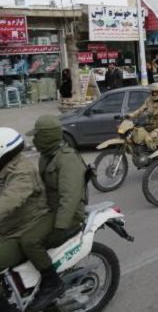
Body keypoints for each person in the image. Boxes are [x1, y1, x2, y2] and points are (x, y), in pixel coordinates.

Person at [22, 115, 88, 311]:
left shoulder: (67, 159)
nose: (34, 140)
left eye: (38, 136)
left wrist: (61, 227)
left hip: (66, 215)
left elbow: (70, 196)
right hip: (50, 210)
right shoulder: (46, 156)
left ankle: (52, 283)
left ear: (47, 137)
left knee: (29, 241)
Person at [0, 128, 49, 312]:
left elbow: (9, 201)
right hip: (9, 226)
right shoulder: (6, 167)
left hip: (23, 228)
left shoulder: (22, 172)